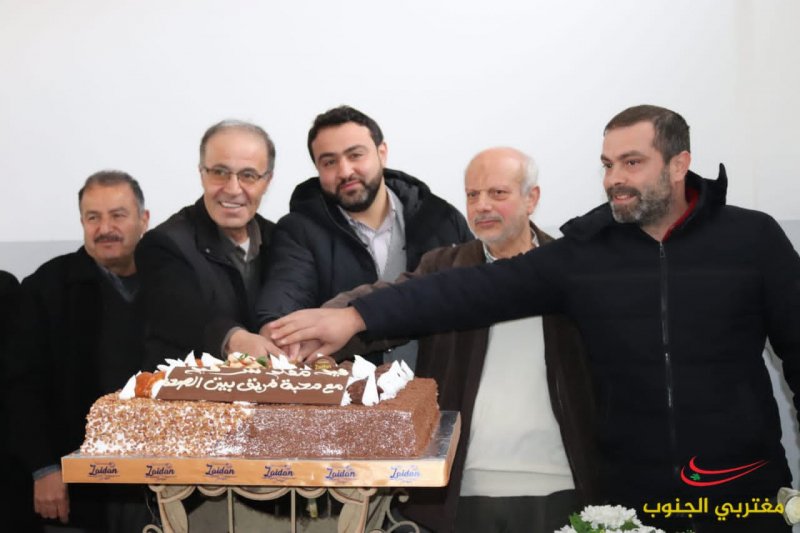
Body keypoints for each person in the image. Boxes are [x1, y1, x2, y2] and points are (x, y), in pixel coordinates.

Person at [268, 105, 800, 532]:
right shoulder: (587, 253)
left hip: (743, 490)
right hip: (632, 501)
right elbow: (467, 289)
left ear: (679, 164)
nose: (614, 179)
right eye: (607, 164)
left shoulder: (753, 239)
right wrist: (356, 316)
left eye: (631, 163)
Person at [321, 147, 598, 533]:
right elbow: (386, 305)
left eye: (497, 193)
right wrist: (319, 326)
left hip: (560, 488)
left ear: (531, 198)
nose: (482, 205)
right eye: (472, 195)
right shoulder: (443, 267)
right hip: (460, 491)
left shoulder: (574, 269)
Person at [254, 105, 472, 366]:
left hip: (438, 381)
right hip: (348, 387)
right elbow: (285, 294)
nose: (345, 171)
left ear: (382, 153)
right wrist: (277, 331)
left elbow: (471, 294)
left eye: (355, 155)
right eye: (329, 162)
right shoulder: (298, 231)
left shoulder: (442, 219)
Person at [5, 172, 152, 532]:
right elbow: (20, 386)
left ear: (144, 220)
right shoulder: (47, 288)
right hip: (78, 488)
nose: (105, 229)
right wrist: (43, 468)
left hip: (159, 481)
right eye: (93, 217)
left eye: (118, 215)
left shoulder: (171, 283)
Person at [136, 120, 277, 364]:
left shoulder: (281, 240)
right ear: (202, 173)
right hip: (191, 386)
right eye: (219, 172)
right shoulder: (162, 244)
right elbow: (181, 313)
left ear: (267, 181)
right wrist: (234, 340)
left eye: (248, 175)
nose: (233, 189)